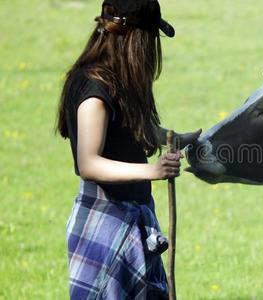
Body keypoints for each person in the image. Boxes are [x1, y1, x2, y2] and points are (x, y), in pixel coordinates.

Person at [56, 0, 200, 298]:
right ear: (135, 38)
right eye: (150, 39)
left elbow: (130, 129)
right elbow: (89, 162)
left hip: (131, 215)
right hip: (107, 220)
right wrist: (153, 170)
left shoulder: (118, 79)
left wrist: (175, 138)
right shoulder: (94, 88)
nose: (152, 49)